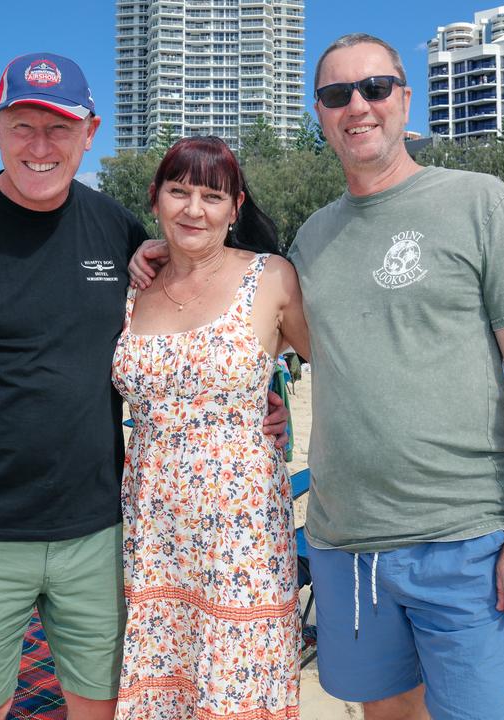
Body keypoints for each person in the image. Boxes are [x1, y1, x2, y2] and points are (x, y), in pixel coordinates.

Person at [0, 52, 290, 720]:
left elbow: (180, 321)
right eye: (23, 126)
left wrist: (253, 396)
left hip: (103, 526)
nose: (40, 146)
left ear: (90, 131)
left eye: (59, 129)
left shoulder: (116, 231)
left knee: (108, 703)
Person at [134, 33, 504, 720]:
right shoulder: (312, 241)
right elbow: (260, 337)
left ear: (405, 98)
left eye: (375, 88)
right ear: (321, 113)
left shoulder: (477, 200)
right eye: (337, 95)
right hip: (344, 542)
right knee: (383, 714)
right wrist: (171, 252)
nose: (358, 106)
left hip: (463, 536)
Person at [111, 136, 309, 719]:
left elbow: (331, 363)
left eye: (211, 195)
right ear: (155, 199)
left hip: (240, 528)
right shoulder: (132, 287)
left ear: (235, 206)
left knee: (237, 677)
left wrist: (278, 411)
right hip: (153, 520)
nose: (194, 209)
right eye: (179, 192)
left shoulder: (271, 277)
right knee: (165, 675)